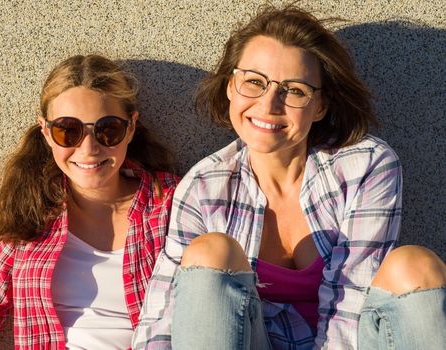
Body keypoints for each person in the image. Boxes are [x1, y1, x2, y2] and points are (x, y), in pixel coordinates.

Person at [133, 5, 446, 350]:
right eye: (253, 82)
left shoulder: (366, 166)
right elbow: (163, 315)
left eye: (294, 90)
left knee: (416, 266)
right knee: (211, 251)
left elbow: (352, 296)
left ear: (321, 105)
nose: (269, 105)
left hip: (351, 342)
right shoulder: (204, 187)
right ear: (230, 88)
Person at [0, 54, 179, 349]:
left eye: (108, 130)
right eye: (67, 131)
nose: (88, 149)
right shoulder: (28, 211)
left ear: (131, 127)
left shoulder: (172, 203)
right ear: (46, 132)